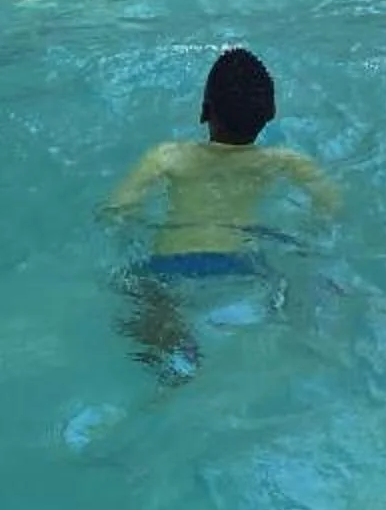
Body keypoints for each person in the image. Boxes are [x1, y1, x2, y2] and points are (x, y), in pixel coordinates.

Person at [105, 47, 338, 375]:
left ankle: (175, 356)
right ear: (270, 113)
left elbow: (116, 210)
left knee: (140, 298)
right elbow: (330, 205)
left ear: (204, 110)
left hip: (169, 265)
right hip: (241, 263)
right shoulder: (285, 161)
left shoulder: (167, 156)